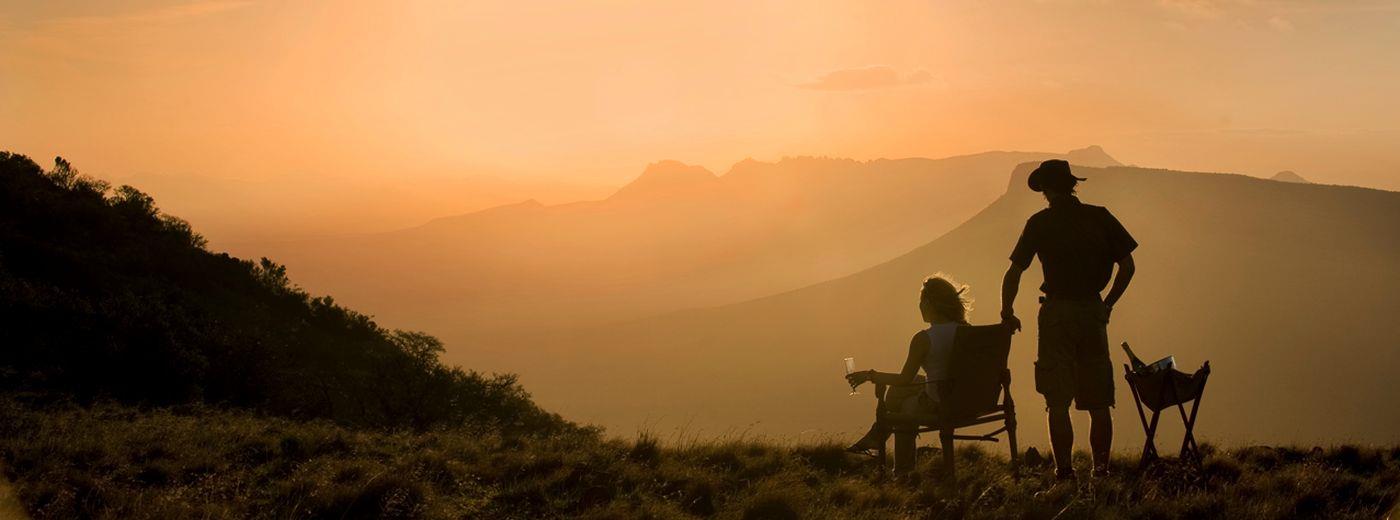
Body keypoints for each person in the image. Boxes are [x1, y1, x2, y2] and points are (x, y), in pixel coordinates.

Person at [1000, 159, 1137, 480]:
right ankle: (1100, 471)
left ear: (1046, 190)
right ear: (1071, 185)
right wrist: (1109, 304)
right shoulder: (1100, 216)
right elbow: (1128, 266)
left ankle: (1064, 472)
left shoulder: (1040, 223)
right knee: (1099, 399)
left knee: (1057, 400)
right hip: (1092, 310)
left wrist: (1007, 311)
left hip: (1056, 314)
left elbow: (1014, 272)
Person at [844, 274, 972, 456]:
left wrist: (869, 376)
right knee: (897, 391)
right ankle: (877, 436)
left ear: (928, 304)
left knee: (907, 407)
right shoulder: (969, 331)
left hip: (941, 402)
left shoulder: (924, 339)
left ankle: (902, 469)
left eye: (921, 301)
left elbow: (903, 378)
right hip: (969, 398)